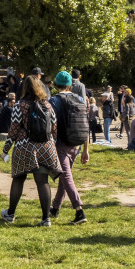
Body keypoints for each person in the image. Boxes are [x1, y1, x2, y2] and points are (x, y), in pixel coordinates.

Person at [0, 77, 61, 226]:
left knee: (19, 178)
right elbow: (54, 129)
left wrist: (5, 150)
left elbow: (14, 129)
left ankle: (10, 213)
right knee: (42, 181)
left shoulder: (20, 105)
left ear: (25, 88)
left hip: (25, 146)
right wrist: (52, 145)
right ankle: (46, 219)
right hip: (46, 146)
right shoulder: (48, 105)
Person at [47, 70, 89, 224]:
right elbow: (86, 125)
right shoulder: (79, 99)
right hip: (76, 144)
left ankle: (79, 211)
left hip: (61, 143)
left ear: (56, 84)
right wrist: (86, 150)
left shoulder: (54, 101)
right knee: (65, 177)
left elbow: (50, 124)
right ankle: (55, 208)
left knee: (66, 177)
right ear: (70, 85)